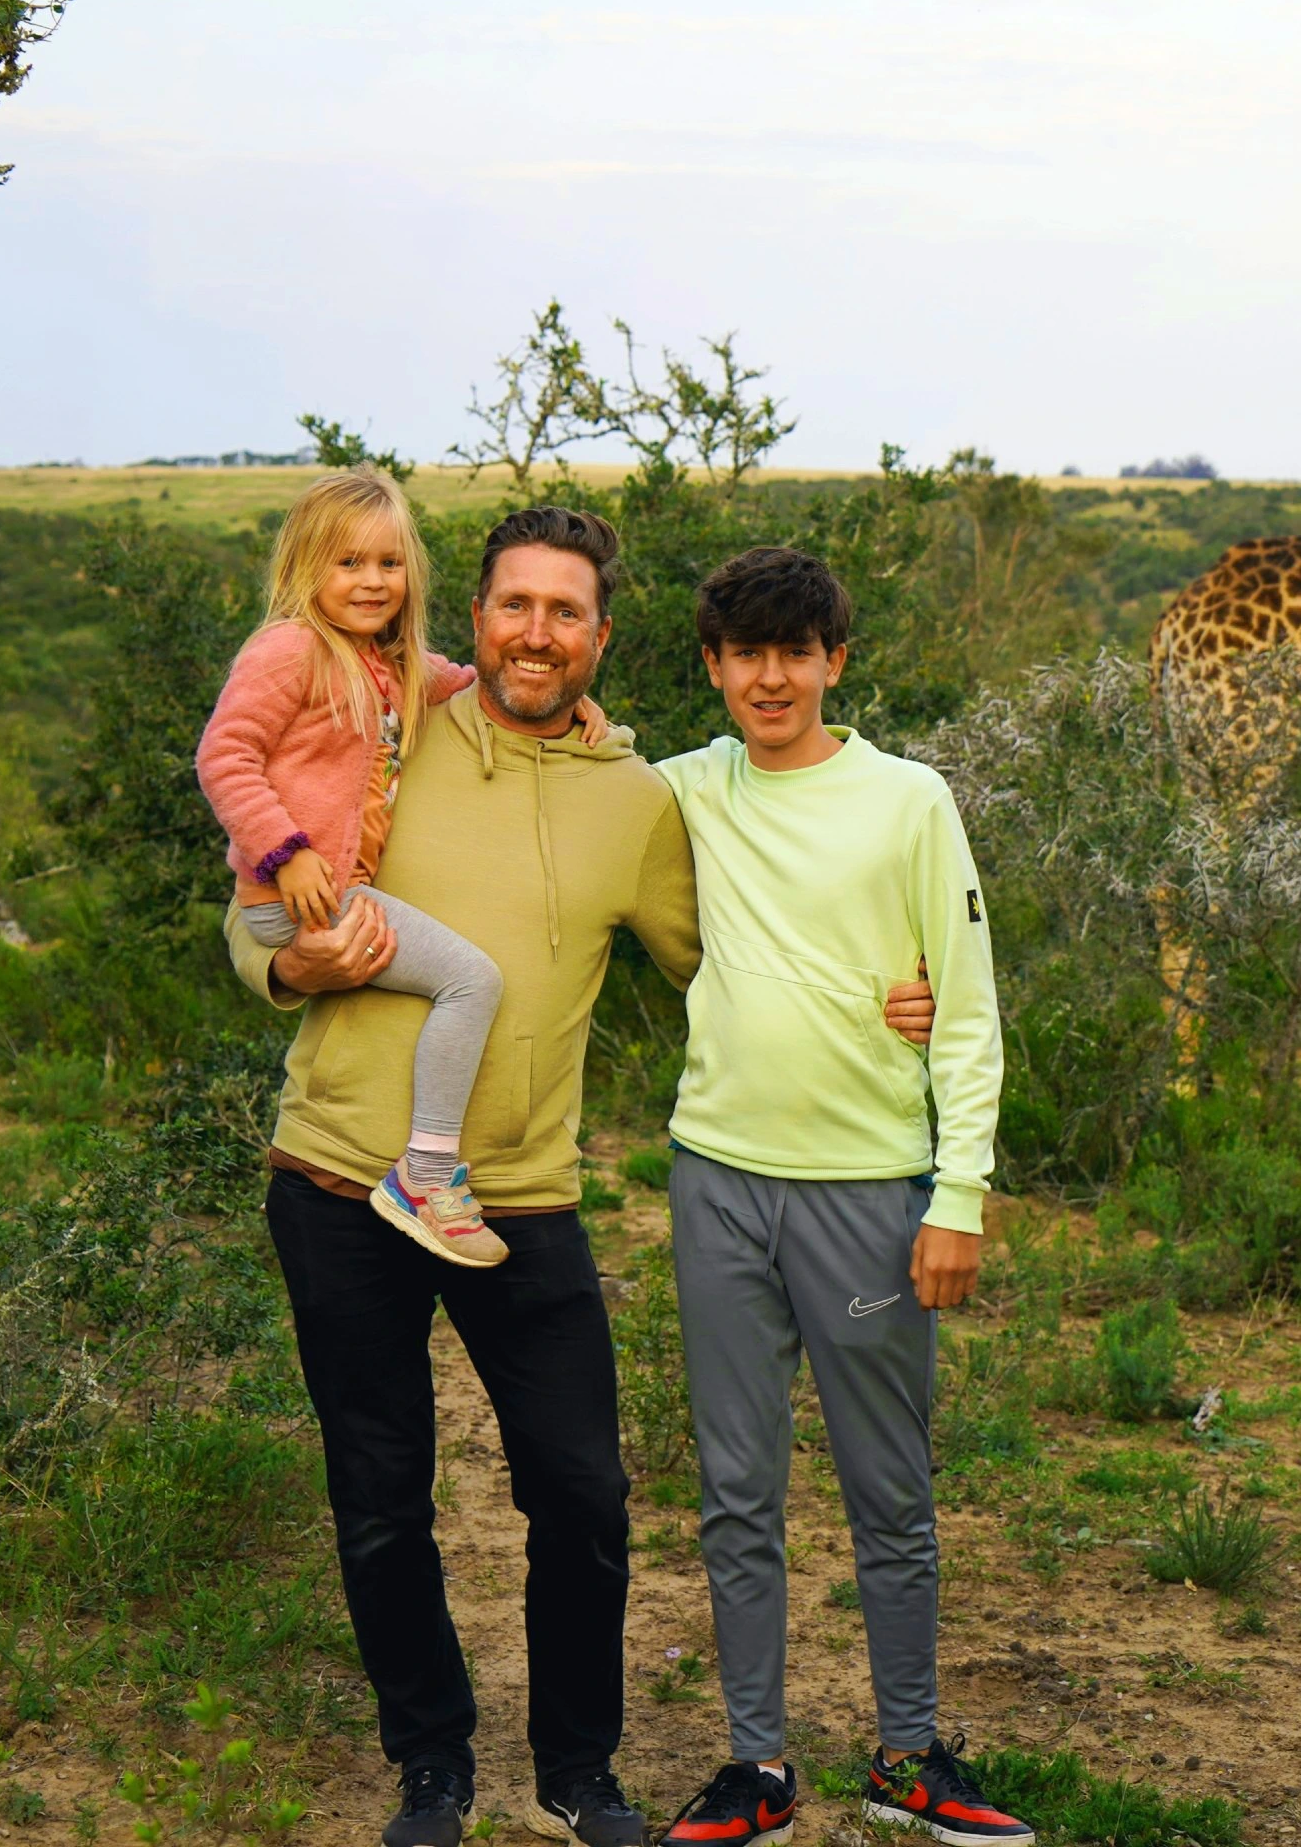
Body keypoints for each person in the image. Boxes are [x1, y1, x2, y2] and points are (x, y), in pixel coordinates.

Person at [221, 508, 936, 1847]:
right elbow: (254, 884)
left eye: (565, 612)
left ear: (602, 636)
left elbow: (730, 954)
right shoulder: (395, 730)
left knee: (586, 1500)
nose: (535, 633)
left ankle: (577, 1773)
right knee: (381, 1498)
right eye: (513, 606)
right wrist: (276, 963)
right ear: (471, 617)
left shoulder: (639, 799)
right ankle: (431, 1763)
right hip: (335, 1178)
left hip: (522, 1201)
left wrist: (892, 992)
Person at [652, 546, 1034, 1847]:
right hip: (717, 1183)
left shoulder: (910, 801)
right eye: (745, 654)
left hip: (873, 1193)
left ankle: (911, 1753)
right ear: (713, 666)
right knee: (737, 1489)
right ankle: (756, 1768)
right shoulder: (682, 791)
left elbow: (970, 1011)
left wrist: (959, 1193)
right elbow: (558, 772)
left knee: (890, 1493)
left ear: (835, 662)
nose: (771, 677)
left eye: (795, 652)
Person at [198, 466, 606, 1266]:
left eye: (388, 563)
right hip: (300, 894)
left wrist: (570, 705)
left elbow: (461, 681)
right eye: (348, 563)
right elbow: (226, 754)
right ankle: (424, 1174)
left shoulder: (382, 662)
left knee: (460, 979)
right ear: (304, 568)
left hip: (323, 890)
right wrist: (287, 854)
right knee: (471, 981)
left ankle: (422, 1170)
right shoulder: (290, 650)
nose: (372, 581)